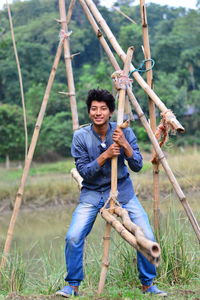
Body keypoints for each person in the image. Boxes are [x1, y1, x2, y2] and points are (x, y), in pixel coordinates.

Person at [56, 89, 167, 298]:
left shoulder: (124, 131)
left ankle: (148, 284)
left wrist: (124, 144)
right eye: (94, 109)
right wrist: (105, 155)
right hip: (92, 193)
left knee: (147, 236)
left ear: (110, 112)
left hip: (122, 191)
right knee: (73, 236)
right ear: (89, 112)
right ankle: (72, 285)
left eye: (103, 109)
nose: (98, 112)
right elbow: (85, 173)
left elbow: (137, 165)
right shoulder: (80, 136)